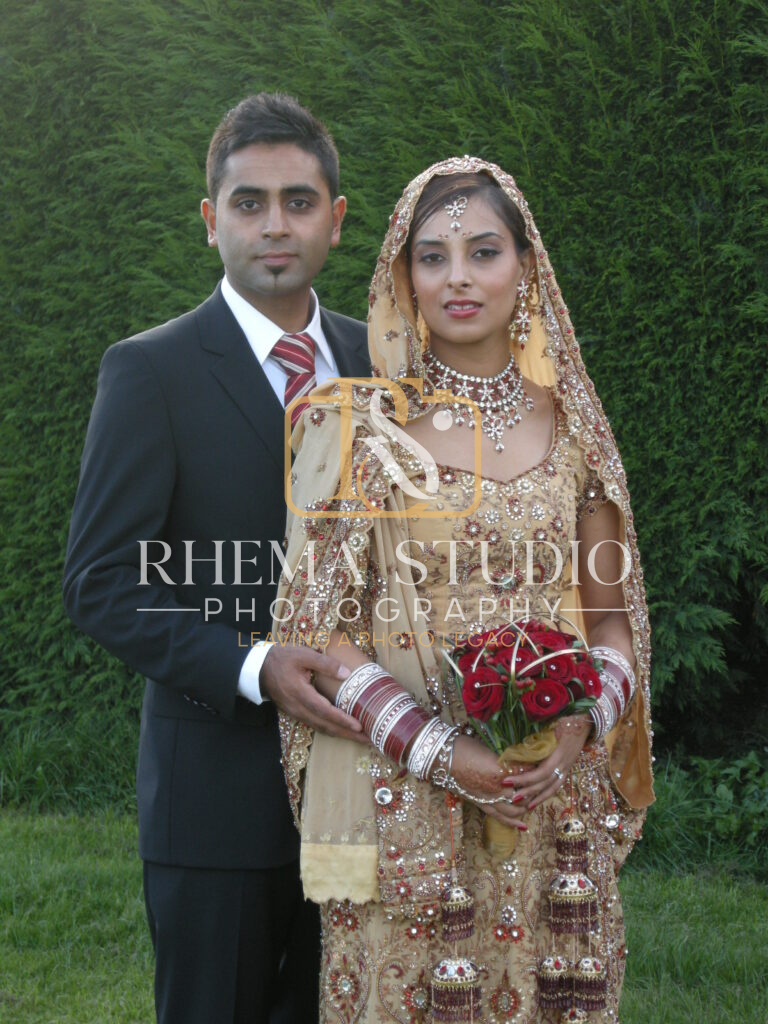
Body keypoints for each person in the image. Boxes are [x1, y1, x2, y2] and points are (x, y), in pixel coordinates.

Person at [277, 157, 655, 1022]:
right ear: (402, 274)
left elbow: (613, 622)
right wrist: (443, 753)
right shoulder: (356, 426)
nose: (456, 278)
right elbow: (321, 631)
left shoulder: (576, 431)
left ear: (525, 264)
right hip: (401, 794)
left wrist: (577, 728)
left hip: (551, 805)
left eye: (482, 252)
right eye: (432, 256)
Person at [62, 93, 371, 1024]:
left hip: (362, 791)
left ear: (336, 219)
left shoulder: (382, 361)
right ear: (211, 221)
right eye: (248, 203)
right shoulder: (148, 371)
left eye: (298, 200)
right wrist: (251, 666)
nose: (274, 225)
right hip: (213, 798)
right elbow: (100, 583)